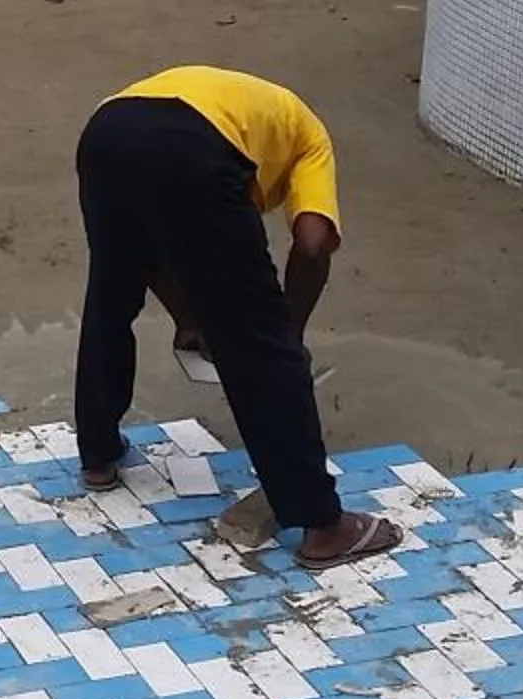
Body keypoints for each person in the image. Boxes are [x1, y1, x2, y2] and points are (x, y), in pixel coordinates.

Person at [73, 65, 401, 568]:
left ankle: (98, 455)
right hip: (196, 146)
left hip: (106, 132)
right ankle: (324, 526)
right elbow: (312, 245)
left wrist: (191, 317)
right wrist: (289, 334)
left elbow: (153, 250)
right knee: (262, 341)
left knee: (112, 291)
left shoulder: (250, 112)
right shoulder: (310, 138)